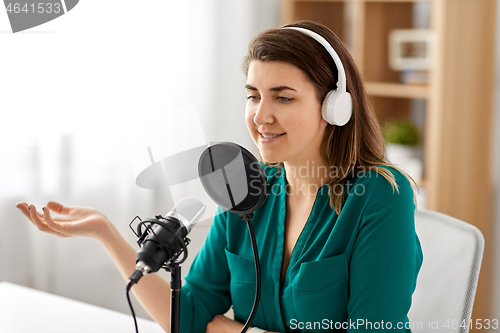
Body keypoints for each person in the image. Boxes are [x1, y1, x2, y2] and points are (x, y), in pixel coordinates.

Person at [17, 20, 423, 333]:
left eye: (283, 97)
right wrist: (105, 232)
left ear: (334, 107)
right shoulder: (244, 185)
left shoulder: (380, 196)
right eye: (253, 95)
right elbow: (190, 316)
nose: (261, 116)